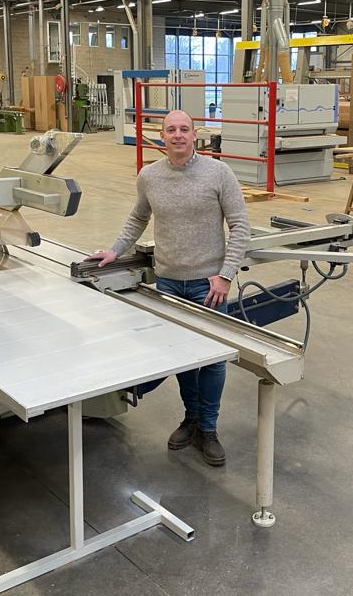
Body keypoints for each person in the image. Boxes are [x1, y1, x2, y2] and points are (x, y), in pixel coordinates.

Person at [88, 110, 250, 466]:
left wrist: (225, 274)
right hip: (168, 283)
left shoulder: (219, 172)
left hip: (209, 285)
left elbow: (240, 225)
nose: (178, 135)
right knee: (182, 358)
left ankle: (208, 428)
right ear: (162, 136)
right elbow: (138, 217)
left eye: (184, 129)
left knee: (213, 360)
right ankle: (191, 419)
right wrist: (114, 250)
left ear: (195, 135)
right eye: (171, 129)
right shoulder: (149, 176)